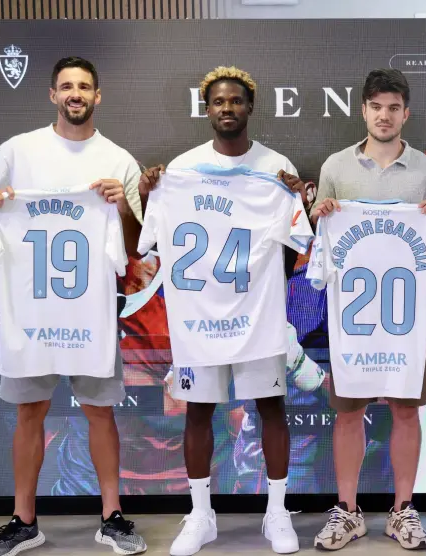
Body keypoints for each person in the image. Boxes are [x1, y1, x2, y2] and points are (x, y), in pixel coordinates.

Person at [0, 57, 147, 556]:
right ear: (52, 94)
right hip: (31, 317)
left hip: (90, 316)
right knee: (29, 412)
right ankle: (24, 520)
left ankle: (112, 517)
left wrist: (122, 206)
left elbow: (136, 247)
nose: (75, 93)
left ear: (97, 95)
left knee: (100, 412)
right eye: (66, 86)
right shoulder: (18, 150)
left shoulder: (118, 159)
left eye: (83, 86)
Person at [135, 66, 315, 556]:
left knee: (270, 407)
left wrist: (297, 197)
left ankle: (276, 512)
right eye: (218, 101)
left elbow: (296, 247)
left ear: (249, 106)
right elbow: (155, 244)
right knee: (198, 411)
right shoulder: (180, 170)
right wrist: (151, 195)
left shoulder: (274, 167)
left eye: (236, 100)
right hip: (198, 316)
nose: (227, 108)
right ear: (207, 109)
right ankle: (201, 515)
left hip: (257, 313)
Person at [309, 68, 426, 551]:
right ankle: (347, 511)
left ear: (406, 113)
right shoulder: (336, 167)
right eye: (376, 107)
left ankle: (403, 509)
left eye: (393, 108)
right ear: (364, 110)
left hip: (406, 318)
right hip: (351, 319)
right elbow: (320, 241)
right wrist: (319, 215)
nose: (384, 116)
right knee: (349, 412)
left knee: (405, 410)